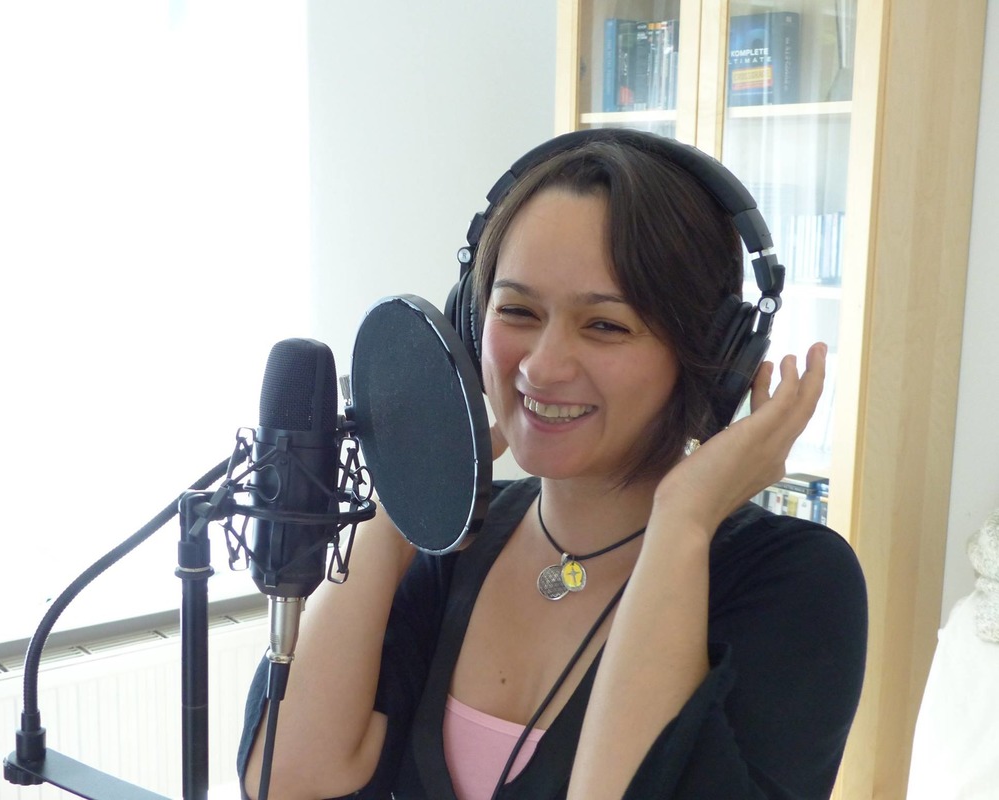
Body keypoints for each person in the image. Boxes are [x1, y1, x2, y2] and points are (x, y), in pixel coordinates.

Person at [236, 130, 868, 799]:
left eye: (605, 326)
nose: (541, 367)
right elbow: (289, 782)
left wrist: (682, 520)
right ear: (470, 322)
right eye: (517, 311)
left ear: (710, 357)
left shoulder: (796, 582)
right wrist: (408, 499)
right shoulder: (450, 549)